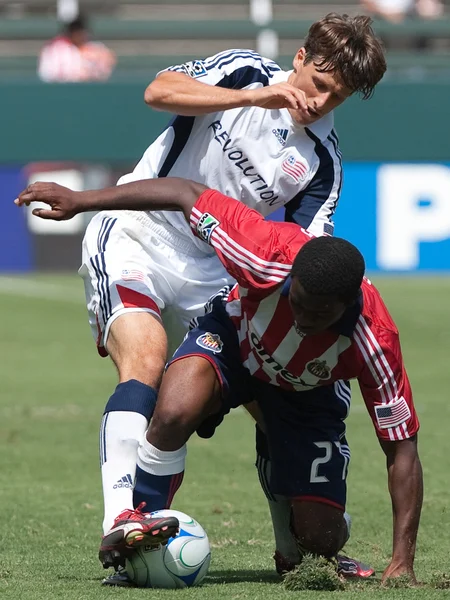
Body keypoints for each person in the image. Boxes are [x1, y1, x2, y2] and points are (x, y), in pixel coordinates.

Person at [31, 13, 387, 583]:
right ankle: (124, 520)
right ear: (299, 58)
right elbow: (158, 90)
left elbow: (300, 255)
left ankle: (292, 551)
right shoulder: (244, 69)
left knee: (270, 399)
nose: (320, 101)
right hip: (135, 233)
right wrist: (259, 95)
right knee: (146, 363)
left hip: (214, 271)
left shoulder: (322, 164)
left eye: (336, 96)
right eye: (318, 83)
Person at [15, 176, 423, 585]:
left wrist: (402, 558)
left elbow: (401, 449)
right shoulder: (261, 251)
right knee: (173, 410)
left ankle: (290, 489)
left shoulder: (376, 340)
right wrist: (82, 200)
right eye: (297, 301)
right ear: (291, 277)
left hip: (307, 395)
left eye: (318, 314)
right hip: (232, 345)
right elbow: (184, 193)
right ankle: (139, 528)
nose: (302, 318)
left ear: (347, 303)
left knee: (318, 542)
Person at [38, 15, 116, 83]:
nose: (79, 36)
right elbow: (49, 75)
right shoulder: (58, 49)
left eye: (81, 32)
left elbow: (105, 71)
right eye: (76, 32)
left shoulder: (96, 48)